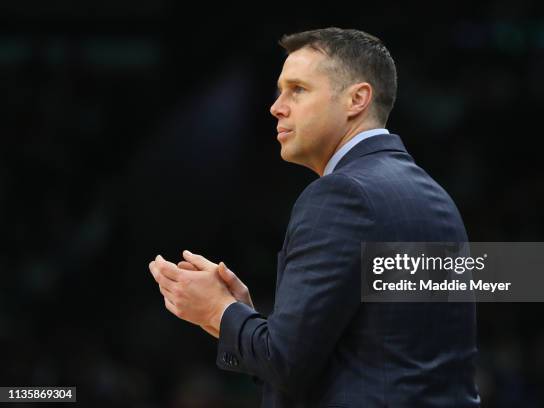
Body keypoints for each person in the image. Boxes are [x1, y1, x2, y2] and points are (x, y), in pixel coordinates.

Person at [149, 27, 480, 407]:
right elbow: (373, 354)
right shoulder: (433, 195)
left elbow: (287, 364)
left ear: (357, 99)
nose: (277, 106)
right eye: (279, 90)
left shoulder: (341, 195)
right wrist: (239, 316)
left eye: (297, 90)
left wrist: (216, 310)